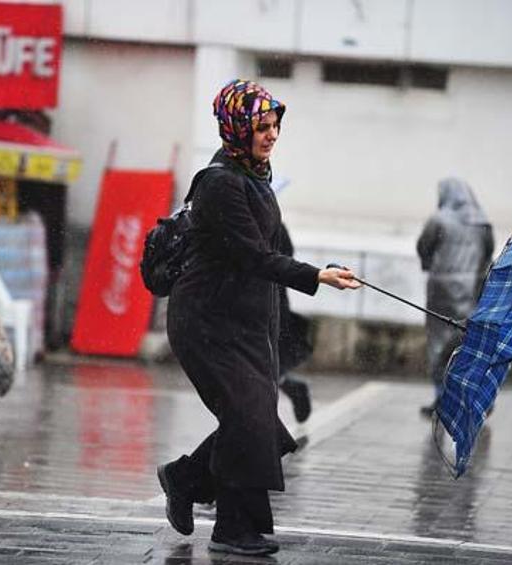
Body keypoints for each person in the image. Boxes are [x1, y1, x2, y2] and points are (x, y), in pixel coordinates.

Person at [158, 79, 361, 556]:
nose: (271, 135)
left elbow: (262, 255)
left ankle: (186, 480)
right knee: (248, 418)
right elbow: (253, 255)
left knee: (256, 423)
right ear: (236, 129)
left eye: (274, 126)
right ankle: (229, 528)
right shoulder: (221, 183)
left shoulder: (253, 175)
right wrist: (317, 276)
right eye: (261, 127)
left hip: (243, 320)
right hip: (206, 322)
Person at [416, 178, 494, 417]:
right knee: (469, 345)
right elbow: (488, 254)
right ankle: (479, 396)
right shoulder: (483, 224)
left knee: (439, 345)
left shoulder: (439, 219)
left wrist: (429, 265)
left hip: (440, 290)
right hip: (471, 290)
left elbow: (423, 246)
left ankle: (442, 398)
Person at [276, 222, 313, 423]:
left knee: (257, 371)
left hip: (266, 304)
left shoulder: (269, 219)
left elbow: (283, 261)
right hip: (244, 303)